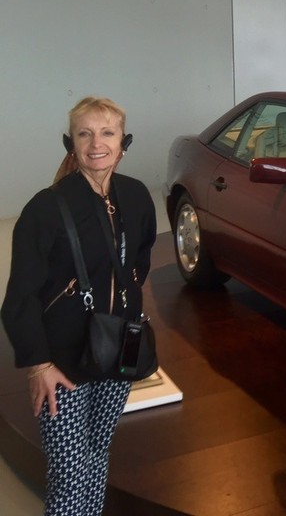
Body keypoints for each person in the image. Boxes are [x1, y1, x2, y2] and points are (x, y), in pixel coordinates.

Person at [1, 96, 156, 515]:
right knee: (70, 473)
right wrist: (38, 365)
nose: (96, 143)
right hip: (61, 364)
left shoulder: (138, 197)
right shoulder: (45, 209)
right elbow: (19, 298)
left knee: (97, 455)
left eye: (107, 132)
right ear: (70, 142)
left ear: (123, 141)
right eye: (84, 133)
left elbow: (139, 259)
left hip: (118, 347)